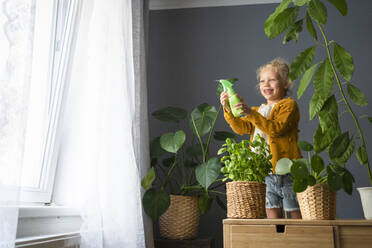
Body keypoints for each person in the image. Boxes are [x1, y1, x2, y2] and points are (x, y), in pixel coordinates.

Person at [220, 58, 302, 219]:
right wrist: (228, 109)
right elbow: (241, 128)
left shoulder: (288, 105)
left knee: (294, 211)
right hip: (264, 172)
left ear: (286, 83)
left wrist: (250, 113)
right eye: (262, 81)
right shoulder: (258, 110)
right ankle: (277, 243)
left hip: (287, 170)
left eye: (272, 80)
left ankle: (297, 242)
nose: (266, 84)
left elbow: (276, 129)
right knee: (271, 211)